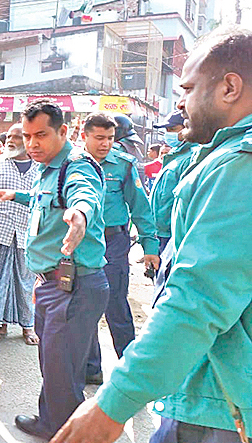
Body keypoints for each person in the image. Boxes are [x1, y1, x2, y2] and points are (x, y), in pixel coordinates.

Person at [52, 26, 252, 443]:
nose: (180, 102)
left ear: (230, 87)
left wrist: (113, 405)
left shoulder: (239, 166)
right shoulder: (215, 154)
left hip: (219, 405)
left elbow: (197, 301)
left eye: (190, 87)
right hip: (207, 390)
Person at [0, 99, 107, 440]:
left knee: (62, 368)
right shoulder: (50, 168)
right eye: (26, 136)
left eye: (40, 135)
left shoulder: (76, 166)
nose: (31, 144)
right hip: (53, 284)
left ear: (64, 131)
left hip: (72, 285)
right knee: (55, 364)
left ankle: (66, 432)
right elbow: (48, 200)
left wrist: (80, 214)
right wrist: (17, 195)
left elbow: (84, 195)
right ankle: (51, 420)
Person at [79, 112, 159, 386]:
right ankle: (91, 368)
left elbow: (140, 207)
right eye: (99, 138)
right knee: (86, 304)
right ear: (84, 136)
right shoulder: (73, 164)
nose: (105, 144)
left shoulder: (123, 165)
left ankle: (130, 372)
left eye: (110, 138)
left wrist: (150, 245)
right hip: (83, 241)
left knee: (115, 304)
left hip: (114, 241)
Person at [0, 123, 39, 345]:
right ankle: (1, 325)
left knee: (26, 281)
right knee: (1, 279)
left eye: (17, 137)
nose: (11, 141)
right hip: (1, 231)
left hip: (30, 232)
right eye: (9, 137)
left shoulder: (41, 167)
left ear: (27, 141)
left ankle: (28, 327)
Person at [150, 110, 198, 253]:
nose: (168, 133)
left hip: (172, 234)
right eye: (166, 130)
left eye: (172, 129)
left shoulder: (191, 157)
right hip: (161, 232)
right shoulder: (175, 156)